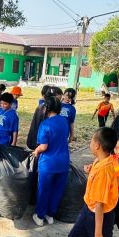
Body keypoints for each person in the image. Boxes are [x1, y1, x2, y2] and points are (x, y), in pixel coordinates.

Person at [32, 96, 69, 227]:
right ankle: (51, 215)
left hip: (48, 163)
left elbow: (44, 146)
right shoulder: (64, 121)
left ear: (46, 108)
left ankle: (40, 216)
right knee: (57, 190)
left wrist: (36, 151)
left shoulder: (45, 124)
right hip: (63, 162)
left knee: (44, 190)